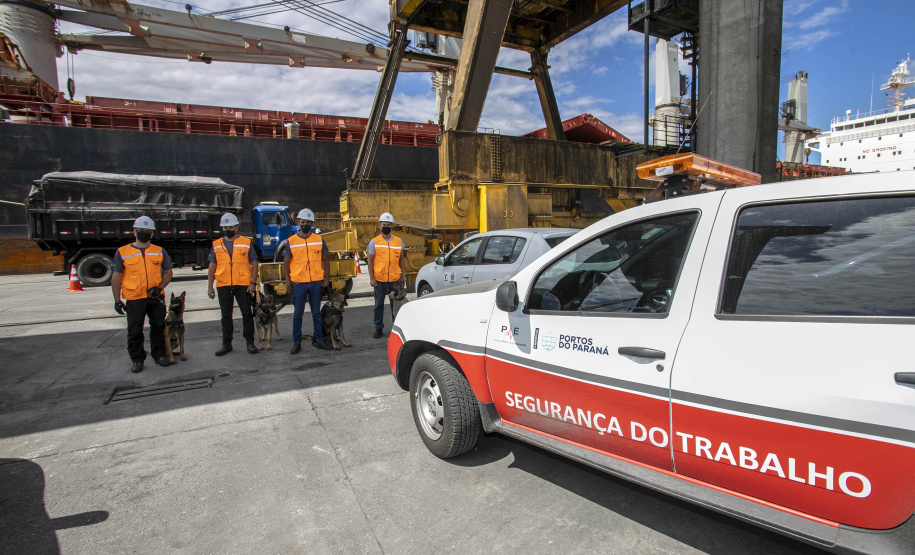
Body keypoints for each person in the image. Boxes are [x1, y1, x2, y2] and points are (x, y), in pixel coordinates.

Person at [111, 216, 174, 373]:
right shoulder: (122, 252)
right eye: (141, 230)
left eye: (147, 231)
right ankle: (137, 359)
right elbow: (116, 277)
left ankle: (159, 355)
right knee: (134, 330)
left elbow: (168, 273)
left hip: (155, 297)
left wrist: (159, 288)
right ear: (134, 231)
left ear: (152, 233)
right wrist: (117, 299)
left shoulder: (159, 251)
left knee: (158, 327)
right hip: (134, 298)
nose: (144, 233)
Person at [207, 213, 259, 356]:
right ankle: (226, 344)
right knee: (226, 316)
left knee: (247, 314)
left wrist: (253, 283)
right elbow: (212, 267)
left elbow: (254, 263)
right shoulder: (216, 244)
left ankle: (250, 342)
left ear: (236, 228)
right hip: (223, 284)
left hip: (243, 284)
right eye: (225, 227)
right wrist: (210, 286)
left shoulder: (246, 243)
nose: (227, 230)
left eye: (230, 227)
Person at [283, 208, 332, 353]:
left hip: (316, 282)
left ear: (312, 224)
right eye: (303, 222)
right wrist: (288, 282)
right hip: (298, 283)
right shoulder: (291, 241)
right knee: (298, 314)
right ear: (298, 222)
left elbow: (325, 260)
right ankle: (297, 342)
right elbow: (285, 263)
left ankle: (319, 340)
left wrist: (327, 279)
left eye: (308, 222)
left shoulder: (319, 240)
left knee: (316, 313)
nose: (305, 224)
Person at [367, 212, 406, 338]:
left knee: (395, 305)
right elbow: (370, 261)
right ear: (380, 226)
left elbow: (401, 260)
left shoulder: (398, 242)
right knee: (378, 305)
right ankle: (378, 328)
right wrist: (372, 278)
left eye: (388, 225)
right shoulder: (374, 242)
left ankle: (396, 329)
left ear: (391, 226)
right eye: (384, 225)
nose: (386, 227)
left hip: (394, 280)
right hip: (379, 280)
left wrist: (403, 276)